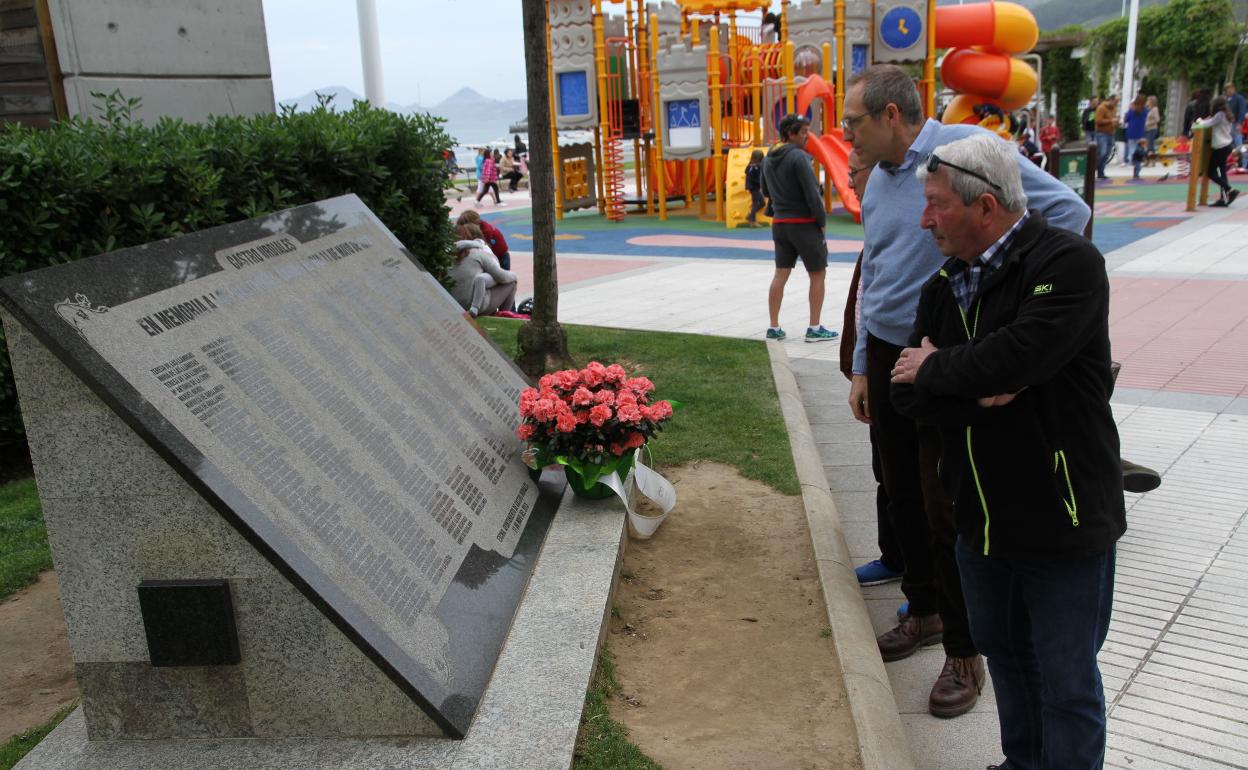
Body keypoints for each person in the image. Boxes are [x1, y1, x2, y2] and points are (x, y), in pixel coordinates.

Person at [841, 64, 1090, 719]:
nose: (845, 133)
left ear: (892, 115)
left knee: (946, 502)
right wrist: (865, 364)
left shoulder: (964, 155)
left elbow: (1067, 209)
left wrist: (1025, 319)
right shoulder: (879, 183)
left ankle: (963, 650)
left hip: (956, 350)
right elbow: (876, 275)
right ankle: (921, 610)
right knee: (899, 493)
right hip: (893, 355)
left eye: (854, 121)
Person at [890, 131, 1124, 770]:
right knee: (1010, 660)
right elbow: (907, 395)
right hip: (981, 523)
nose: (924, 219)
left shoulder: (1067, 264)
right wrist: (980, 386)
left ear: (986, 206)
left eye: (937, 204)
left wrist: (945, 369)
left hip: (1063, 515)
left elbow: (1023, 355)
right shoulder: (945, 285)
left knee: (1066, 679)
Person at [841, 152, 907, 594]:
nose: (850, 181)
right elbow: (866, 308)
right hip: (878, 367)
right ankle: (896, 557)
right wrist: (861, 370)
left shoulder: (909, 225)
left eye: (854, 173)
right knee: (886, 468)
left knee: (912, 479)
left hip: (908, 366)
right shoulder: (876, 227)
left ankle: (926, 591)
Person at [760, 113, 839, 343]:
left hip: (780, 224)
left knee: (780, 274)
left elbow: (766, 192)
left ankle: (773, 327)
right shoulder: (799, 158)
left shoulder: (768, 157)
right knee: (817, 273)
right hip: (803, 224)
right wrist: (821, 222)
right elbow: (812, 194)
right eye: (803, 132)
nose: (807, 136)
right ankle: (814, 327)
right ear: (791, 134)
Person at [450, 223, 518, 317]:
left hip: (452, 305)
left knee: (484, 280)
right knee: (512, 281)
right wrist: (514, 275)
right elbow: (501, 276)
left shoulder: (446, 257)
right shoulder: (478, 254)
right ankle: (503, 316)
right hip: (472, 306)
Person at [1194, 96, 1240, 207]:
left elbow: (1206, 124)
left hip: (1220, 147)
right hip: (1227, 145)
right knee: (1222, 172)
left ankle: (1230, 190)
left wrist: (1199, 120)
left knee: (1210, 172)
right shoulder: (1227, 114)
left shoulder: (1220, 115)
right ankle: (1223, 199)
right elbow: (1212, 121)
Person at [1094, 94, 1118, 179]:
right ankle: (1095, 169)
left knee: (1107, 154)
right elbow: (1098, 121)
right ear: (1110, 100)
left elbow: (1114, 120)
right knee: (1102, 152)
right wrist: (1110, 121)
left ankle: (1101, 172)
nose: (1116, 104)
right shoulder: (1101, 108)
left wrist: (1116, 123)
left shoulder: (1114, 109)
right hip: (1102, 134)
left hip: (1111, 133)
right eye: (1115, 101)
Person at [1123, 95, 1147, 167]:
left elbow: (1126, 119)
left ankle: (1132, 160)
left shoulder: (1132, 109)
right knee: (1139, 146)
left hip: (1131, 130)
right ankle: (1138, 160)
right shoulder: (1145, 110)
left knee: (1131, 147)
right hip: (1140, 130)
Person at [745, 149, 766, 227]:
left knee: (762, 203)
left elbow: (746, 172)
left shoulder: (752, 165)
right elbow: (753, 177)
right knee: (755, 203)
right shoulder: (755, 167)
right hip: (754, 187)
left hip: (754, 187)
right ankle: (752, 221)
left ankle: (750, 215)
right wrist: (761, 182)